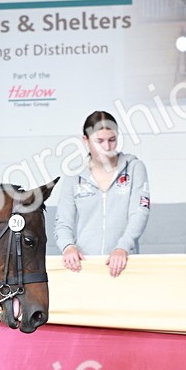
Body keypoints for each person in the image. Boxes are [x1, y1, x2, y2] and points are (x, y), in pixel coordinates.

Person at [54, 111, 151, 277]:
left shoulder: (135, 168)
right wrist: (68, 247)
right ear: (85, 140)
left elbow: (140, 213)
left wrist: (123, 247)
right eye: (99, 141)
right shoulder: (74, 176)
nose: (107, 147)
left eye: (112, 140)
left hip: (125, 264)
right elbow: (63, 222)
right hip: (85, 267)